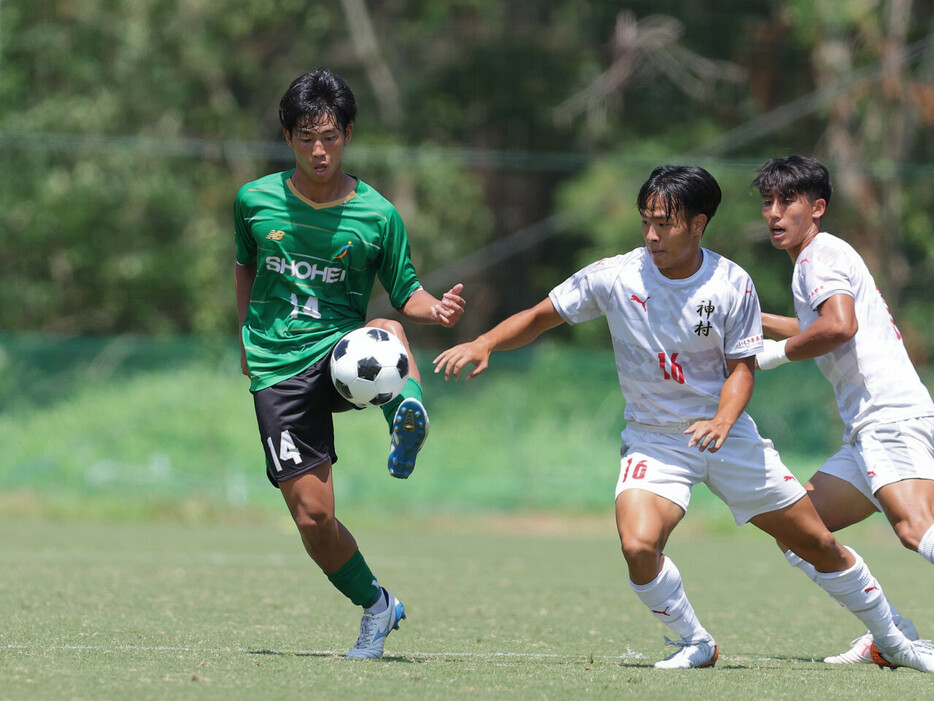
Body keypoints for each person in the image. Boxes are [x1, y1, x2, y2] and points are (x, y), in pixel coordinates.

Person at [433, 164, 934, 671]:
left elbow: (752, 364)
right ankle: (696, 641)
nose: (651, 235)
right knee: (638, 544)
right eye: (646, 221)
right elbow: (543, 315)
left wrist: (724, 415)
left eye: (665, 224)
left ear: (698, 224)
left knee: (827, 539)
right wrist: (485, 341)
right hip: (656, 439)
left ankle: (894, 639)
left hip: (739, 433)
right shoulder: (615, 276)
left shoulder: (743, 278)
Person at [234, 68, 466, 659]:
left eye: (331, 136)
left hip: (342, 355)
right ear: (287, 137)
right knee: (313, 519)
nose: (319, 149)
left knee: (385, 327)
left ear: (349, 134)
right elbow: (244, 265)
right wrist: (244, 335)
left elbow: (405, 289)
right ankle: (377, 605)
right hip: (276, 368)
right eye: (307, 136)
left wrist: (435, 310)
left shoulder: (378, 215)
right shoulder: (254, 201)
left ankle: (407, 416)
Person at [753, 154, 934, 665]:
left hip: (888, 417)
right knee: (797, 532)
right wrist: (749, 316)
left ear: (818, 208)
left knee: (915, 529)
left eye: (788, 201)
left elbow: (839, 326)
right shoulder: (815, 260)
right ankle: (895, 636)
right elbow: (816, 324)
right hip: (869, 428)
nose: (775, 212)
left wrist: (771, 356)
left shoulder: (820, 256)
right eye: (768, 202)